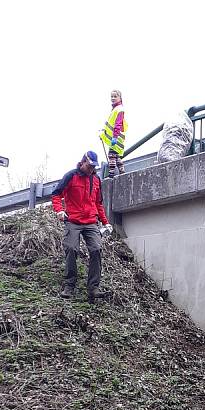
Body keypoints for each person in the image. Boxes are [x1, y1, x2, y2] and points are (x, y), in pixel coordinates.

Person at [51, 151, 111, 303]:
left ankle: (93, 288)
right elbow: (56, 194)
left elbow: (98, 203)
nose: (91, 169)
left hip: (91, 221)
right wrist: (59, 210)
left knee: (96, 249)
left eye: (93, 167)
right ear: (83, 162)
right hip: (73, 220)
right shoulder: (71, 176)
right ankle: (69, 285)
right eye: (89, 166)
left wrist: (105, 222)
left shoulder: (96, 180)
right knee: (71, 248)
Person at [100, 89, 127, 178]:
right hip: (116, 138)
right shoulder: (116, 109)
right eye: (111, 96)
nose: (113, 98)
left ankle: (111, 174)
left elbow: (117, 124)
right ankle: (122, 171)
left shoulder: (119, 109)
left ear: (120, 98)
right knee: (116, 156)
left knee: (111, 155)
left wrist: (115, 137)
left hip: (116, 138)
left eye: (115, 96)